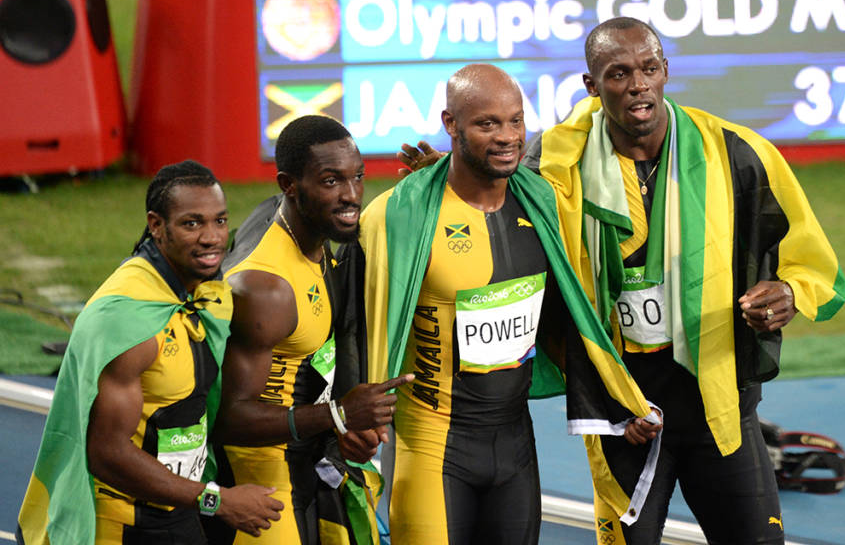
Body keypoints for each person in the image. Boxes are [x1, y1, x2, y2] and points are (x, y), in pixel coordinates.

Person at [519, 17, 845, 544]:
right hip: (624, 410)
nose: (638, 84)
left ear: (666, 71)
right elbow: (496, 214)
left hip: (717, 400)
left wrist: (789, 292)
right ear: (591, 85)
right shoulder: (555, 162)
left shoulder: (736, 152)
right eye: (618, 73)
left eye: (648, 68)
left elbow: (808, 258)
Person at [361, 64, 661, 545]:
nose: (507, 136)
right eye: (487, 124)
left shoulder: (540, 201)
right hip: (432, 447)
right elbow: (363, 325)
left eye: (515, 121)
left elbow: (562, 320)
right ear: (451, 124)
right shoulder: (399, 216)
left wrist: (615, 403)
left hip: (516, 449)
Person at [17, 160, 284, 545]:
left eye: (220, 221)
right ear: (156, 225)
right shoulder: (128, 319)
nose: (212, 237)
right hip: (122, 522)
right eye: (192, 223)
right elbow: (107, 453)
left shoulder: (208, 295)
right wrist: (216, 500)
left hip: (179, 508)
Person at [210, 115, 413, 545]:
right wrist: (339, 416)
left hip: (312, 460)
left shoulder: (308, 234)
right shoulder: (266, 289)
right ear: (289, 185)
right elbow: (228, 418)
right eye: (331, 181)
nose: (351, 195)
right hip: (264, 484)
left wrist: (341, 428)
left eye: (357, 177)